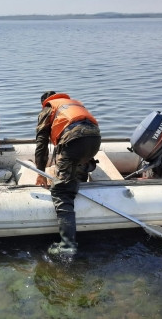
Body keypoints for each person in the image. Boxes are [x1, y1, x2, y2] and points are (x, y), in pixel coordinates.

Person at [35, 91, 101, 257]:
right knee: (76, 165)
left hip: (75, 141)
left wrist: (40, 173)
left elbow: (42, 144)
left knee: (61, 191)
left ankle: (67, 246)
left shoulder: (48, 109)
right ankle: (80, 178)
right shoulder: (71, 104)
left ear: (44, 102)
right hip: (94, 140)